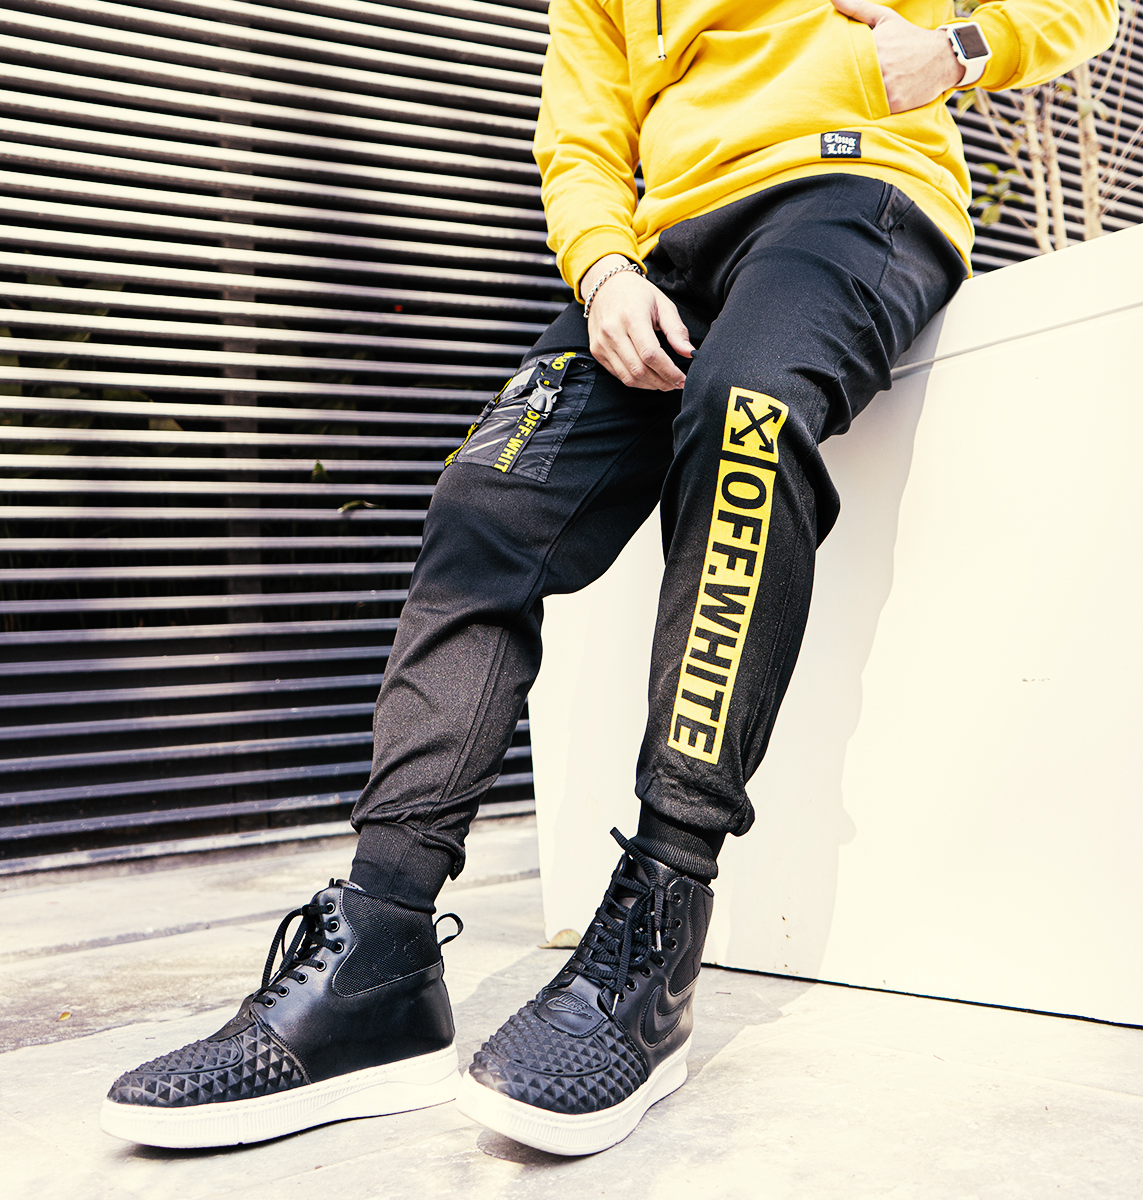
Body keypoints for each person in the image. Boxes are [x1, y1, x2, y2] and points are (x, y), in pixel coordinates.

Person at [101, 0, 1116, 1157]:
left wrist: (961, 48)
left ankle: (659, 920)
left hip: (852, 196)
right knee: (486, 495)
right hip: (664, 253)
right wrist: (601, 271)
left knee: (745, 421)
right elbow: (580, 131)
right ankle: (378, 949)